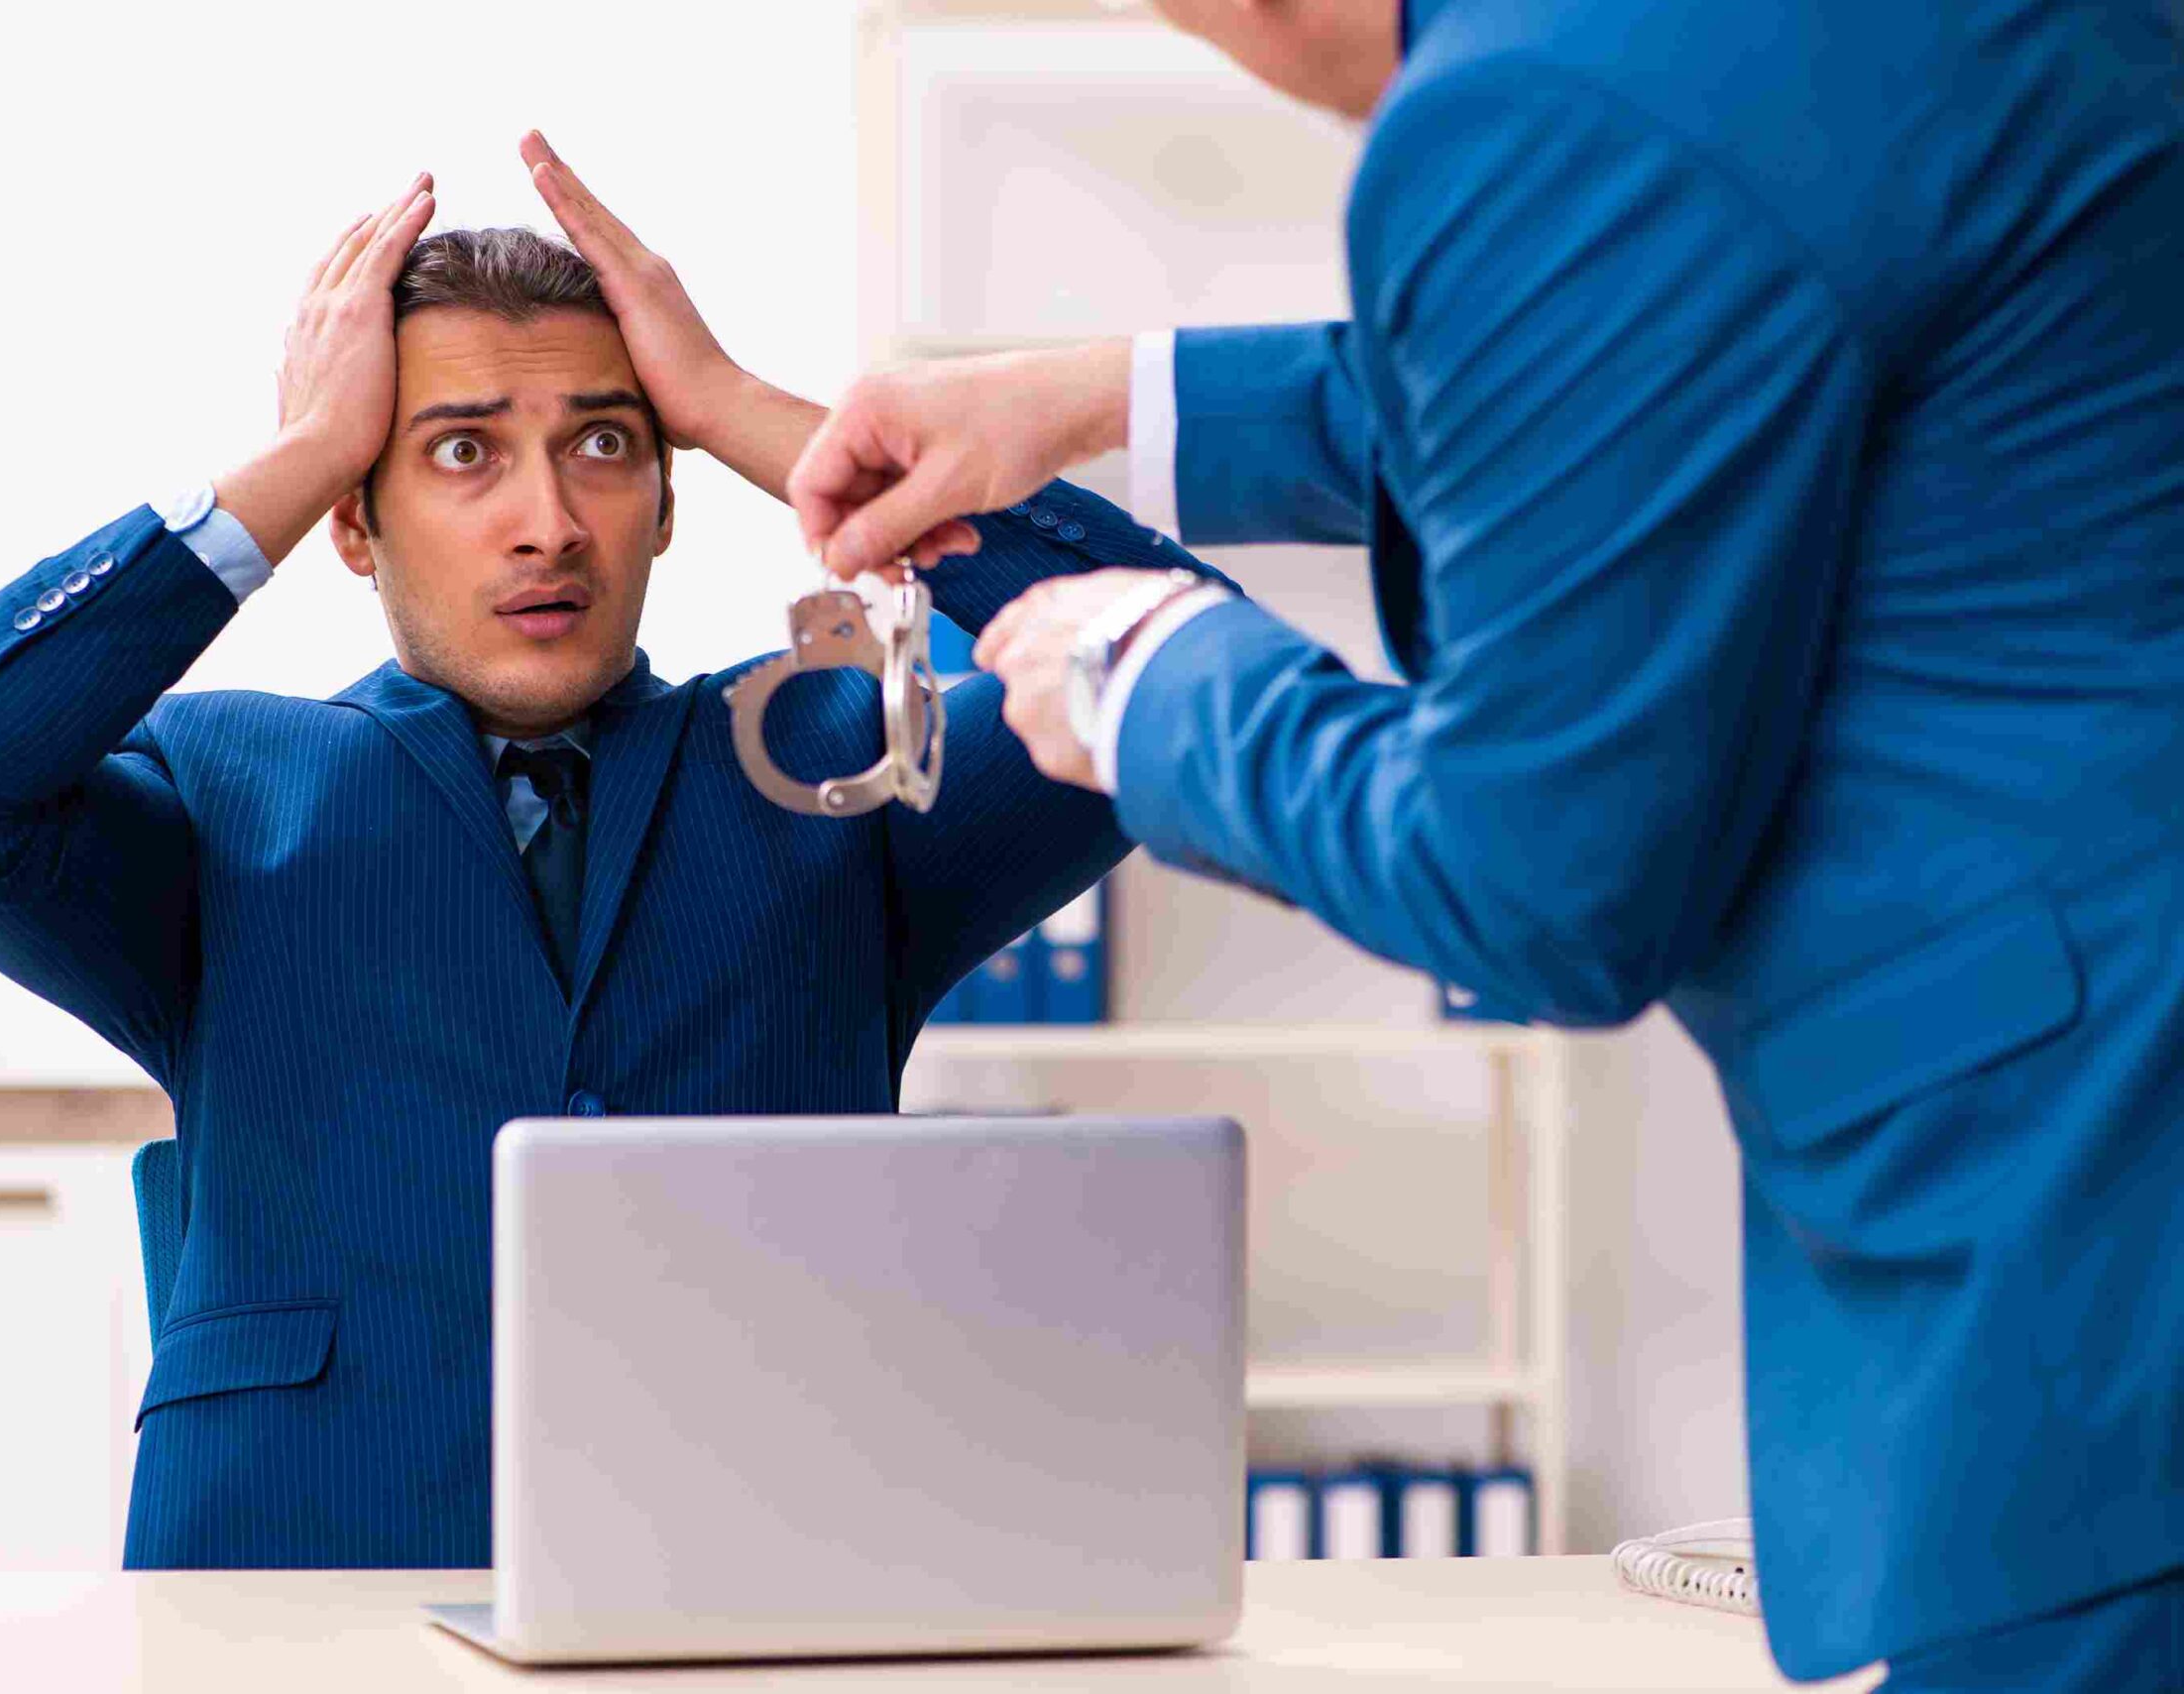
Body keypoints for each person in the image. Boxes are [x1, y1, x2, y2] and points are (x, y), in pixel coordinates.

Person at [788, 1, 2184, 1687]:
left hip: (2083, 1280)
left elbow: (1544, 880)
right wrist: (1096, 400)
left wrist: (1154, 674)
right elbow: (1655, 339)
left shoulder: (1536, 100)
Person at [0, 138, 1223, 1570]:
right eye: (461, 451)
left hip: (745, 1593)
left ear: (668, 501)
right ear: (356, 528)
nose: (548, 521)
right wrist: (300, 455)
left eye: (606, 445)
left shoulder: (836, 760)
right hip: (301, 1592)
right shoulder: (218, 789)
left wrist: (760, 420)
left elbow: (1182, 651)